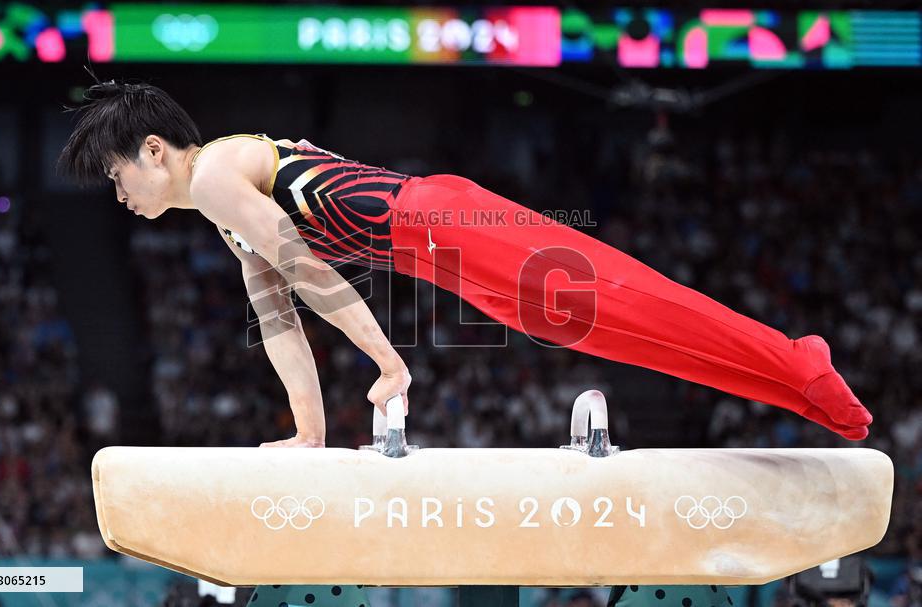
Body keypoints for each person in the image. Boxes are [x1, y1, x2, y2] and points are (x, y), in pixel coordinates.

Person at [56, 80, 873, 447]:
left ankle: (798, 362)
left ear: (154, 149)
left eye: (117, 175)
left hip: (446, 222)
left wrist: (387, 362)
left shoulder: (217, 172)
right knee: (619, 335)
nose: (119, 194)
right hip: (448, 263)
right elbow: (279, 322)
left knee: (633, 302)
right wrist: (309, 433)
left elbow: (305, 269)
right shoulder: (227, 216)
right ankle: (795, 385)